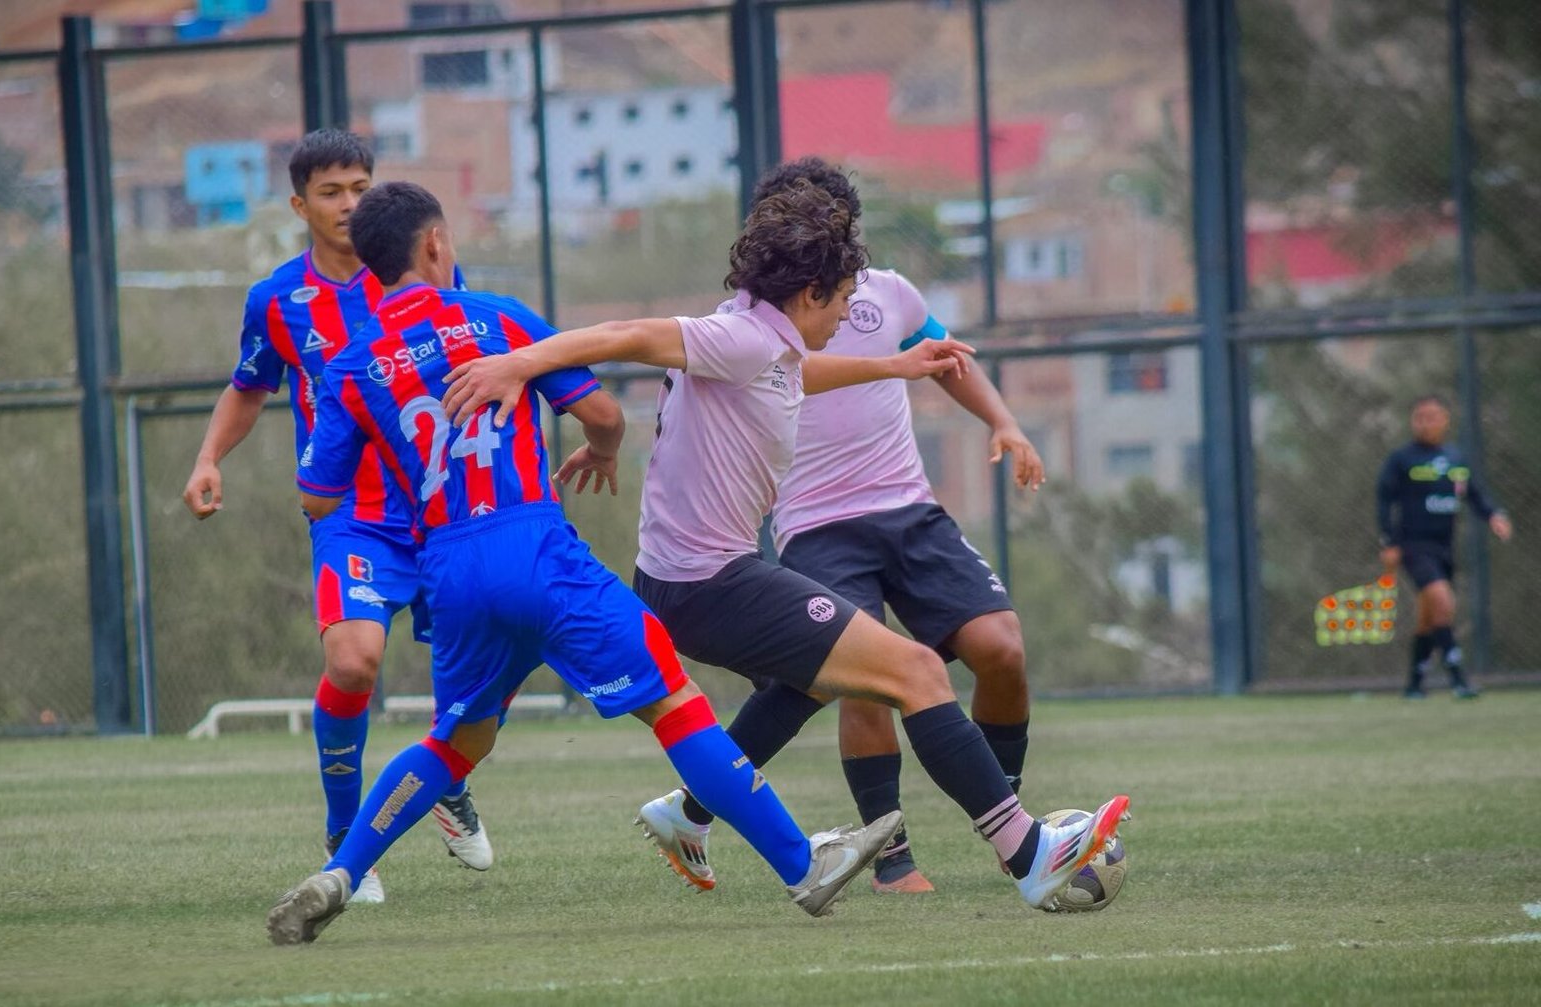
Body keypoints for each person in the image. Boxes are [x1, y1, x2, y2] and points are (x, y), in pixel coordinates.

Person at [441, 178, 1128, 911]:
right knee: (917, 670)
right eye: (838, 301)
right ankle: (1030, 854)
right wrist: (521, 362)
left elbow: (795, 370)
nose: (847, 314)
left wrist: (894, 366)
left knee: (829, 682)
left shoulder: (762, 334)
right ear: (808, 294)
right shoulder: (736, 337)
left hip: (698, 578)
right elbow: (624, 335)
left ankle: (688, 811)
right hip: (707, 584)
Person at [266, 181, 901, 945]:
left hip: (451, 568)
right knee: (672, 699)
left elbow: (317, 494)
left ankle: (343, 867)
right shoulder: (495, 318)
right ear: (434, 245)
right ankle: (804, 866)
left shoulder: (349, 363)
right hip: (536, 547)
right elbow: (602, 414)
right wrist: (599, 448)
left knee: (456, 740)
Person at [182, 131, 491, 905]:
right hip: (350, 512)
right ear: (300, 205)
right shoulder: (278, 299)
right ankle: (346, 837)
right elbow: (250, 388)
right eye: (331, 191)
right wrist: (208, 458)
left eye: (360, 185)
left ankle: (442, 778)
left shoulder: (426, 272)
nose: (350, 203)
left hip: (442, 502)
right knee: (353, 663)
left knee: (482, 678)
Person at [734, 157, 1047, 894]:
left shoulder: (889, 294)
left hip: (910, 511)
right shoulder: (749, 319)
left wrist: (1006, 422)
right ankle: (893, 855)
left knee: (1000, 647)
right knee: (868, 681)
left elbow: (946, 360)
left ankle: (1004, 814)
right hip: (817, 527)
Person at [1376, 394, 1512, 699]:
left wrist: (1495, 516)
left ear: (1445, 420)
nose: (1426, 423)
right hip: (1413, 545)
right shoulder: (1402, 460)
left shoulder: (1454, 459)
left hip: (1443, 547)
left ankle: (1414, 684)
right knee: (1443, 602)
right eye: (1420, 417)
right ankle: (1458, 680)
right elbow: (1385, 500)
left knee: (1429, 617)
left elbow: (1475, 494)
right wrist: (1388, 541)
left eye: (1432, 416)